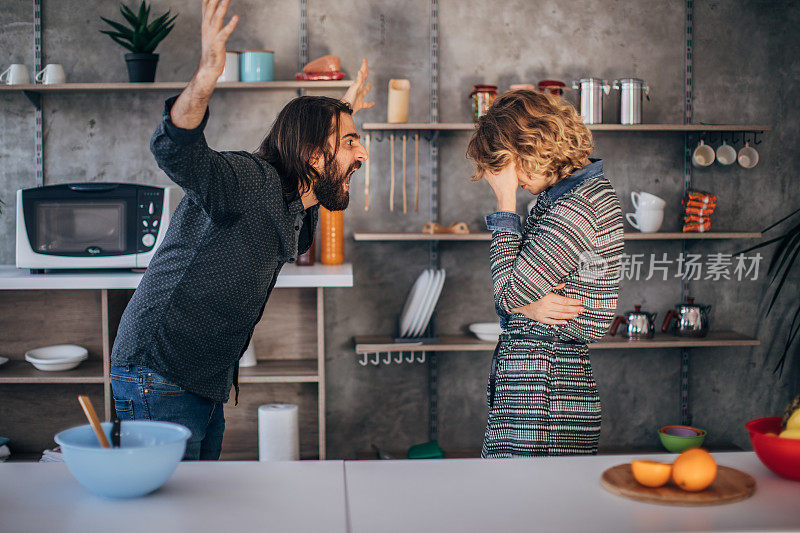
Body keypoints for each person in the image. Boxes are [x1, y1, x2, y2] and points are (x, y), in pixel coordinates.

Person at [109, 0, 373, 460]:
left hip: (202, 378)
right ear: (313, 156)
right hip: (161, 372)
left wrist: (341, 110)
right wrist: (208, 74)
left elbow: (318, 165)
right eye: (352, 142)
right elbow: (177, 153)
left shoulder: (299, 203)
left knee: (195, 502)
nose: (363, 154)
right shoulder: (249, 181)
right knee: (166, 513)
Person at [466, 89, 623, 457]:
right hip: (542, 378)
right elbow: (514, 296)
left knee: (528, 505)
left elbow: (507, 295)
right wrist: (524, 306)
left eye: (505, 167)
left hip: (546, 388)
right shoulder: (565, 197)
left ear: (529, 147)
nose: (511, 181)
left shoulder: (578, 207)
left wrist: (505, 204)